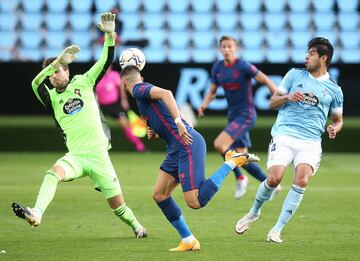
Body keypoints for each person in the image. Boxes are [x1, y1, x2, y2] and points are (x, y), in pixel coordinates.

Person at [11, 12, 147, 239]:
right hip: (76, 156)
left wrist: (110, 35)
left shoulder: (84, 81)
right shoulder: (52, 97)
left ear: (68, 70)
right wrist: (55, 62)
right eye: (52, 73)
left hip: (99, 156)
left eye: (59, 70)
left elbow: (105, 60)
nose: (55, 75)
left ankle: (137, 227)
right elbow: (35, 84)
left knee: (118, 207)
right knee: (53, 173)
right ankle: (36, 212)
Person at [120, 65, 260, 251]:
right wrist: (153, 130)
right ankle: (188, 240)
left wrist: (178, 122)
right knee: (160, 195)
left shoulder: (138, 89)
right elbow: (161, 115)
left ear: (123, 85)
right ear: (141, 76)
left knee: (195, 201)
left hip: (187, 145)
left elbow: (167, 94)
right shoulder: (142, 99)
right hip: (175, 149)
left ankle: (232, 162)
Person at [235, 37, 343, 243]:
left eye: (311, 54)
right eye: (307, 53)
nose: (306, 57)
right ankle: (254, 212)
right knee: (274, 179)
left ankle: (277, 229)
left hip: (310, 142)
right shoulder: (294, 75)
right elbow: (272, 102)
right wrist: (287, 97)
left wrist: (334, 128)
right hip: (284, 134)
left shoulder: (334, 90)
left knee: (301, 180)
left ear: (323, 58)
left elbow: (338, 120)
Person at [198, 35, 279, 199]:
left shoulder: (243, 66)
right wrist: (204, 104)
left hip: (246, 115)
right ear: (220, 49)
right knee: (242, 156)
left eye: (229, 46)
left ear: (236, 48)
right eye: (223, 47)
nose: (226, 49)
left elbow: (266, 80)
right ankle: (269, 184)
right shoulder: (218, 68)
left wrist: (278, 98)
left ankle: (240, 178)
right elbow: (212, 91)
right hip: (233, 117)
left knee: (220, 145)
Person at [96, 65, 146, 152]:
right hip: (102, 107)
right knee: (96, 127)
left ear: (110, 68)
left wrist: (123, 100)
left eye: (108, 67)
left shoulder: (114, 75)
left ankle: (140, 147)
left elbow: (121, 88)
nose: (106, 69)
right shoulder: (97, 77)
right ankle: (96, 150)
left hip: (114, 106)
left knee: (125, 126)